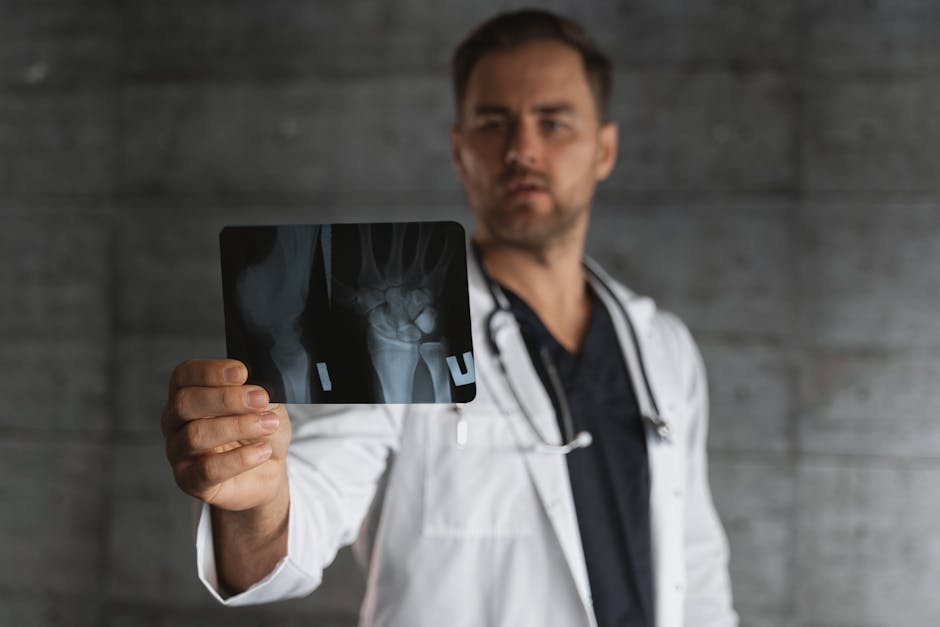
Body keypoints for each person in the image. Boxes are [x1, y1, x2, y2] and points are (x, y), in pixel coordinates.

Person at [161, 9, 738, 627]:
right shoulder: (389, 322)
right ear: (460, 150)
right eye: (494, 123)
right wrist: (254, 500)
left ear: (604, 148)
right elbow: (305, 510)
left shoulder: (662, 346)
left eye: (553, 122)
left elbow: (695, 559)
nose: (522, 149)